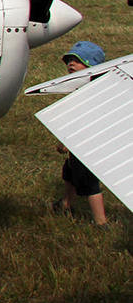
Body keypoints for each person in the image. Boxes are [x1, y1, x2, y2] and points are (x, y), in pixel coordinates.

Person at [52, 41, 109, 225]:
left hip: (87, 145)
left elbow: (88, 123)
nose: (71, 64)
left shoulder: (93, 93)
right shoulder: (76, 89)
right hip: (76, 145)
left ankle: (101, 222)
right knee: (68, 173)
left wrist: (70, 141)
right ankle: (67, 204)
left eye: (77, 60)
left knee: (88, 182)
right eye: (69, 60)